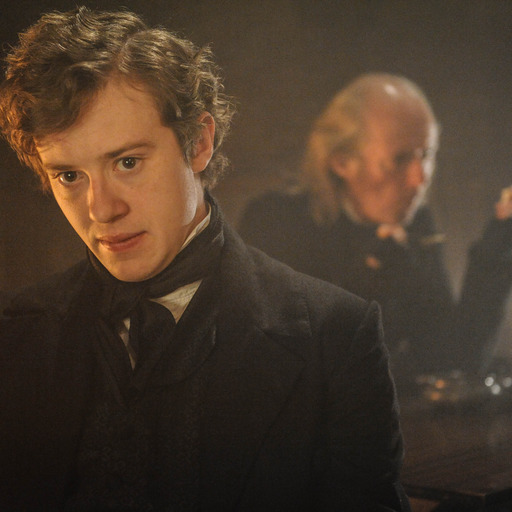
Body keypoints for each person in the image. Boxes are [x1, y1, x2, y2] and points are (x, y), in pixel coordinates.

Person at [0, 8, 409, 511]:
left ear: (199, 142)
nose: (101, 209)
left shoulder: (337, 338)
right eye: (69, 176)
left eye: (127, 162)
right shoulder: (13, 332)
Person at [239, 74, 512, 387]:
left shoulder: (415, 222)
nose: (419, 180)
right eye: (400, 159)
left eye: (426, 155)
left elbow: (452, 360)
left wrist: (499, 245)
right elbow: (278, 369)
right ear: (342, 162)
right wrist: (366, 287)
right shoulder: (274, 223)